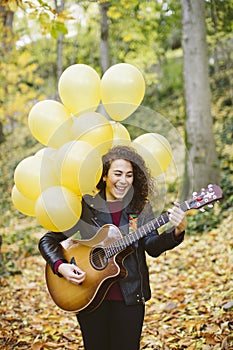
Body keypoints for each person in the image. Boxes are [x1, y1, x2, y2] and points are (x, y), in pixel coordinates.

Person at [39, 145, 187, 350]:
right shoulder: (86, 207)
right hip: (88, 296)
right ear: (104, 176)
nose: (123, 180)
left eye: (129, 175)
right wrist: (61, 266)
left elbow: (152, 246)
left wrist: (176, 232)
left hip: (130, 297)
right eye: (117, 174)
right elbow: (48, 240)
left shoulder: (140, 208)